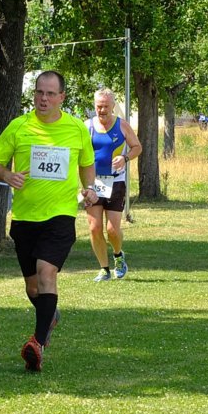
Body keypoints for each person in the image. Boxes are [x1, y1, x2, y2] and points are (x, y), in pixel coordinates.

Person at [0, 70, 97, 372]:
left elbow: (87, 165)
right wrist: (7, 175)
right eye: (39, 93)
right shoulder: (18, 127)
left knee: (46, 272)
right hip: (24, 217)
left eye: (50, 94)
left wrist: (89, 189)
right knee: (33, 289)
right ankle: (49, 316)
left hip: (60, 216)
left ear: (62, 97)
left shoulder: (76, 129)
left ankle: (36, 344)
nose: (43, 99)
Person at [85, 88, 143, 282]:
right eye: (98, 106)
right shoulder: (87, 126)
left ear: (113, 106)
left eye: (105, 107)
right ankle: (104, 269)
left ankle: (118, 256)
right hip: (93, 182)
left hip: (116, 181)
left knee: (111, 229)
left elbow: (137, 147)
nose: (101, 110)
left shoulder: (122, 125)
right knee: (94, 228)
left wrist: (124, 157)